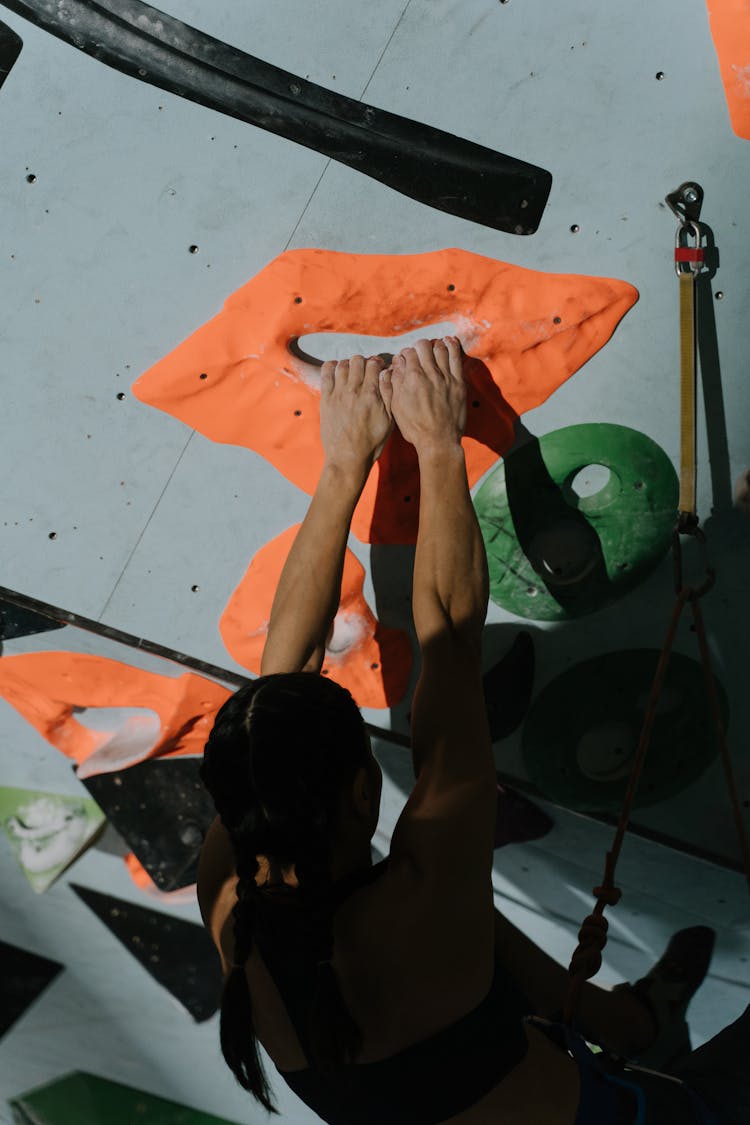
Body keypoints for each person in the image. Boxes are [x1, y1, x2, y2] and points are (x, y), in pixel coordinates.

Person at [198, 338, 748, 1125]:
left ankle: (634, 1025)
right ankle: (644, 1038)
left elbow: (282, 677)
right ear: (363, 791)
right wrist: (435, 439)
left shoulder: (236, 886)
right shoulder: (414, 908)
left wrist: (344, 465)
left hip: (452, 1061)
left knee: (465, 928)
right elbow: (450, 644)